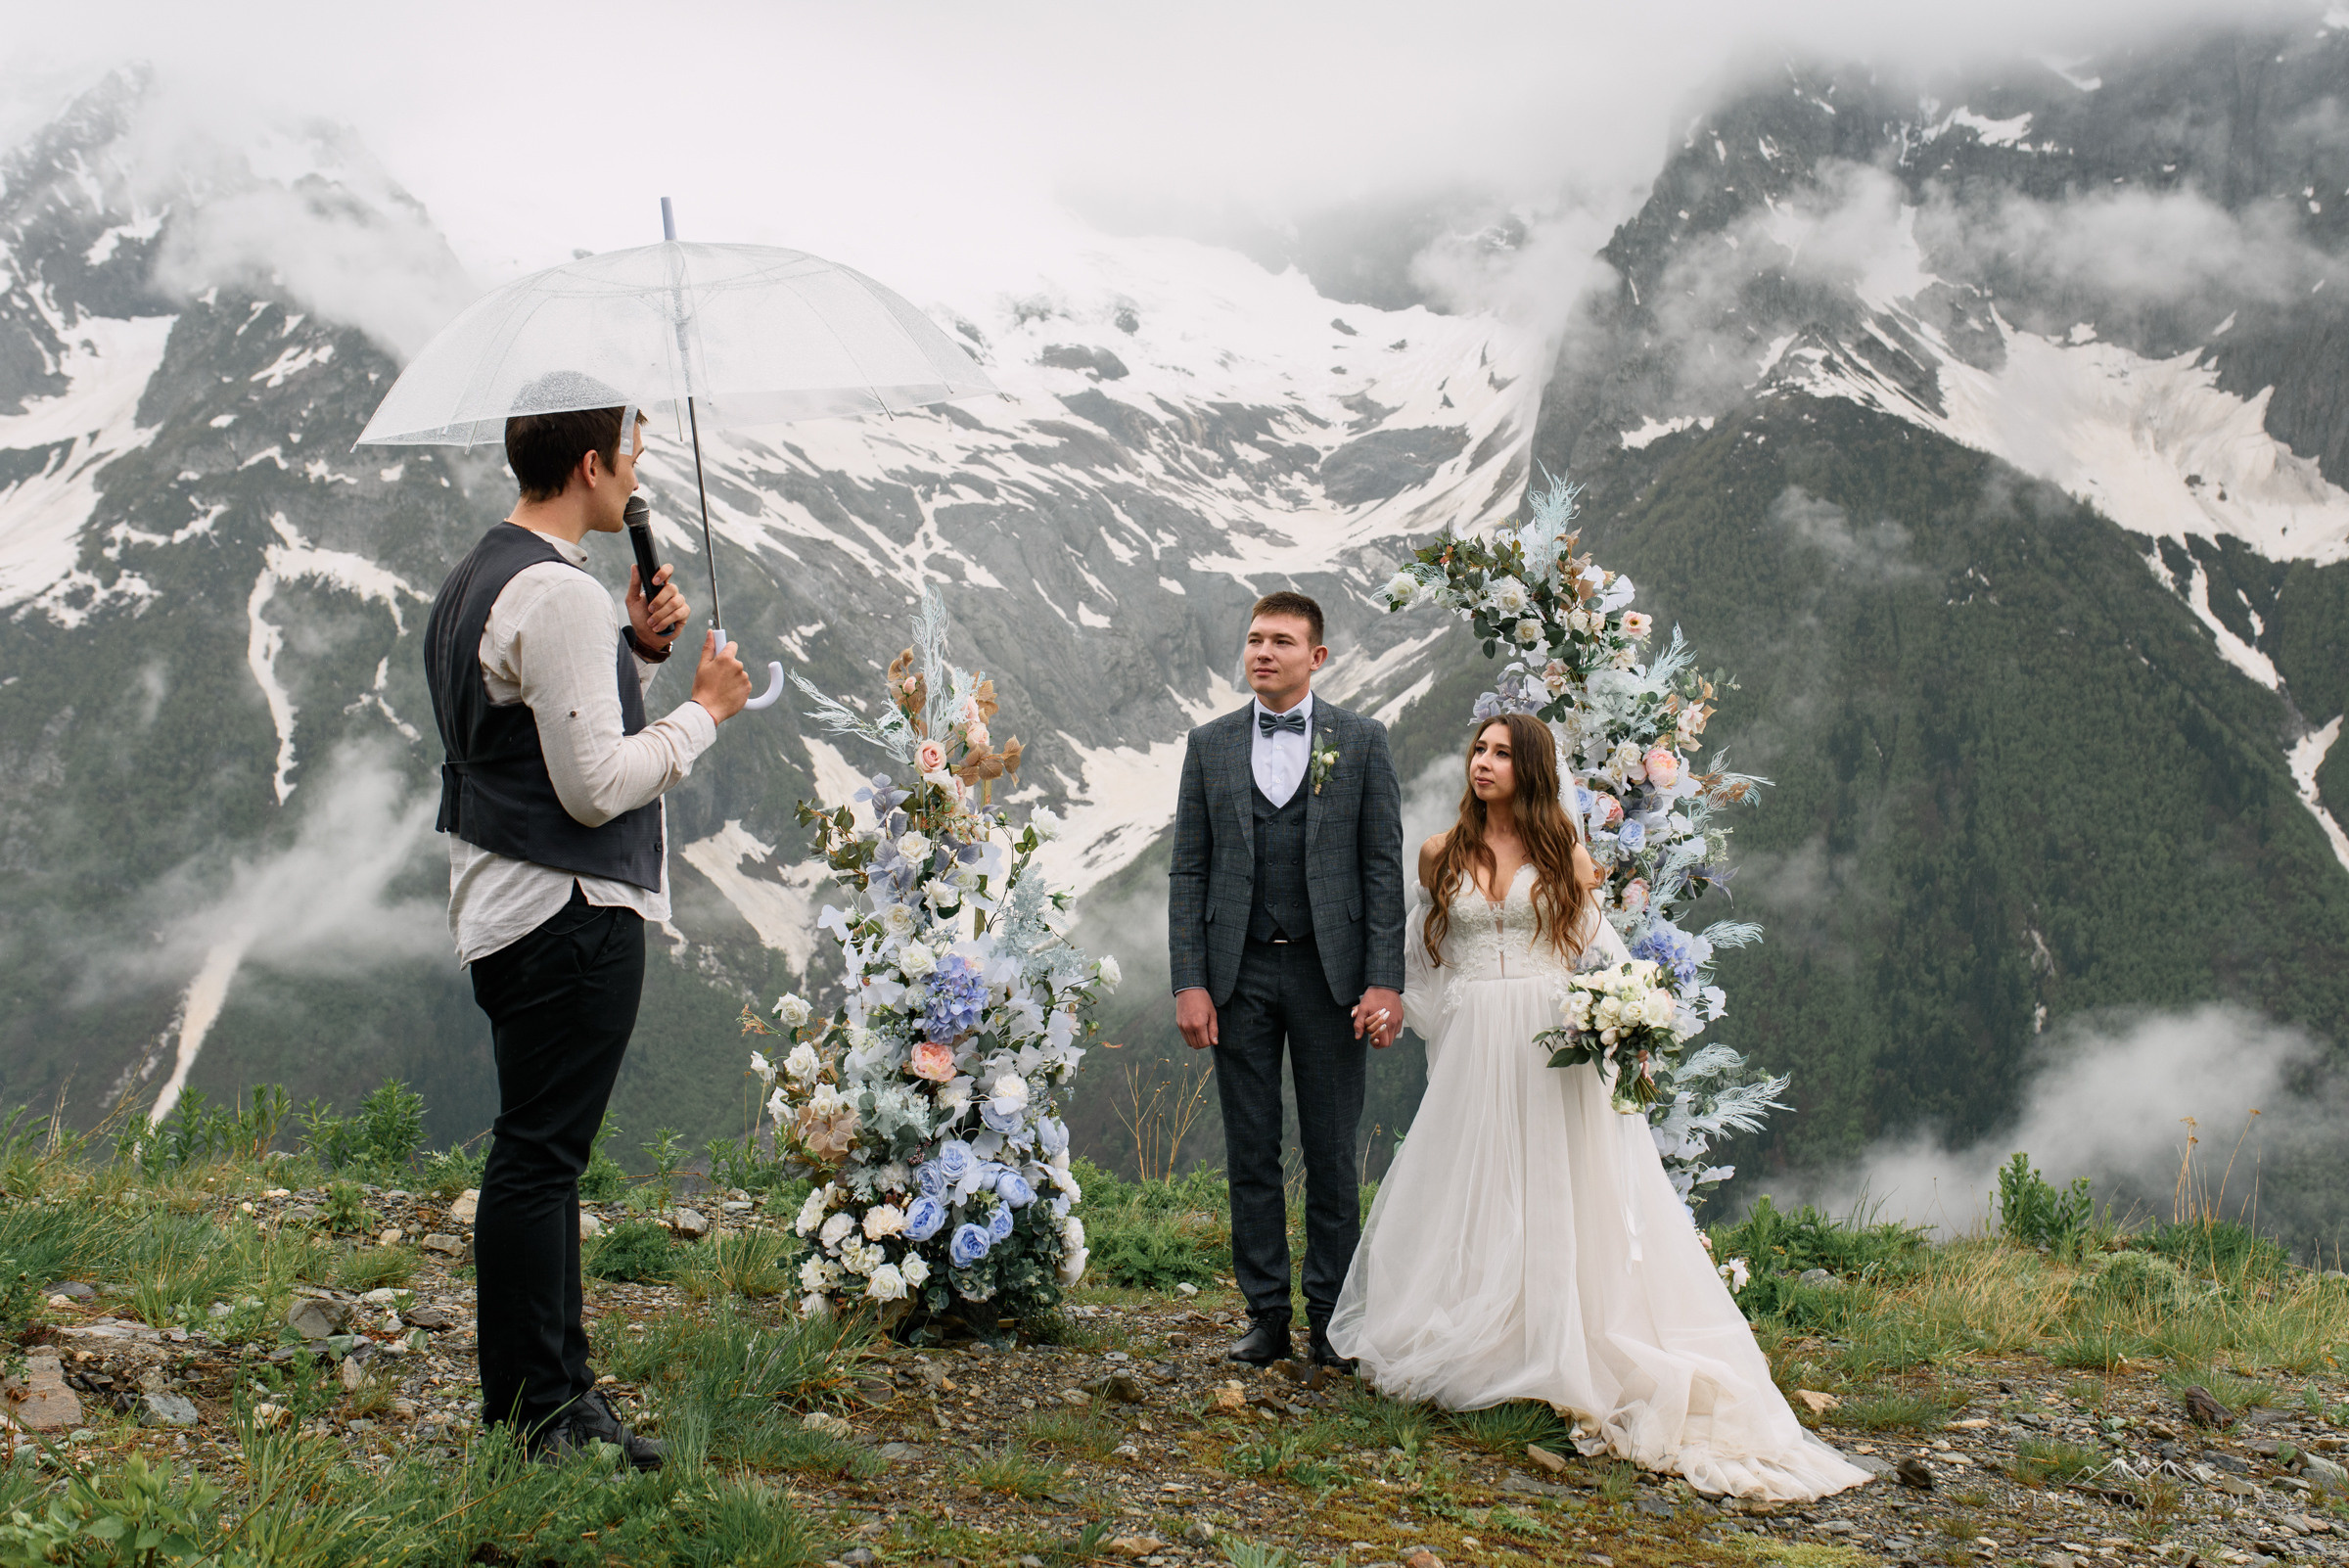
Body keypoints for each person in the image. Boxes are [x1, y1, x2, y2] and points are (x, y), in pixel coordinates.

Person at [1326, 712, 1870, 1501]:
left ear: (1533, 768)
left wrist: (1628, 1014)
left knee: (1559, 1185)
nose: (1483, 762)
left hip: (1553, 1046)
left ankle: (1563, 1339)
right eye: (1478, 748)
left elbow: (1600, 951)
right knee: (1476, 1185)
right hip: (1478, 1044)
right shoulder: (1440, 853)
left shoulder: (1563, 855)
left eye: (1502, 753)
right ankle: (1487, 1337)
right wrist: (1397, 1010)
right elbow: (1421, 957)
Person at [423, 384, 753, 1467]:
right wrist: (703, 709)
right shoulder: (553, 594)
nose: (640, 470)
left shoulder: (480, 574)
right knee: (540, 1158)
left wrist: (631, 646)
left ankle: (560, 1397)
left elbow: (524, 722)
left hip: (501, 902)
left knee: (540, 1154)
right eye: (633, 450)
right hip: (566, 907)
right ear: (591, 468)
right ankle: (537, 1414)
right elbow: (596, 785)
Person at [1167, 592, 1405, 1368]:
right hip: (1238, 974)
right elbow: (1189, 870)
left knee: (1333, 1150)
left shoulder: (1363, 742)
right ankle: (1265, 1316)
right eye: (1254, 640)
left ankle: (1331, 1323)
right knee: (1252, 1150)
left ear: (1318, 657)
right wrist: (1190, 981)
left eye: (1281, 641)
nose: (1262, 653)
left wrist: (1384, 981)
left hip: (1330, 975)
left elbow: (1380, 869)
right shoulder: (1208, 744)